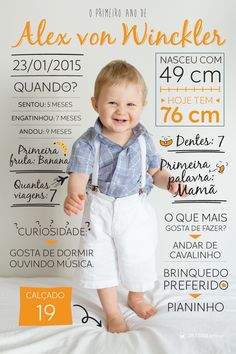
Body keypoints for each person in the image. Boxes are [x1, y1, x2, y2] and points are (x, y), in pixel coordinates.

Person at [64, 60, 182, 333]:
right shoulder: (87, 142)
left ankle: (136, 296)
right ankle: (112, 311)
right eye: (113, 103)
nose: (121, 111)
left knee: (139, 256)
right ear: (95, 104)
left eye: (130, 104)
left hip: (135, 208)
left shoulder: (144, 140)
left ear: (142, 106)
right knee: (100, 258)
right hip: (99, 208)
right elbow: (79, 175)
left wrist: (169, 182)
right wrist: (74, 194)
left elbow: (156, 172)